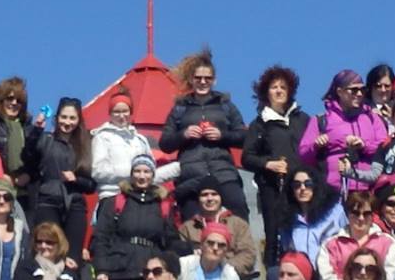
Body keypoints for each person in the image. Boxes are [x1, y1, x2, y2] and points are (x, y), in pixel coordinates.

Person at [89, 155, 180, 280]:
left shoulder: (163, 205)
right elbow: (101, 237)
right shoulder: (115, 202)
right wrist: (101, 269)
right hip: (117, 270)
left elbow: (170, 241)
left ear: (153, 175)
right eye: (137, 171)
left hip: (149, 272)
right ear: (131, 174)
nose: (142, 176)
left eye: (146, 171)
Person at [161, 52, 246, 218]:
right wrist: (184, 134)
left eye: (207, 78)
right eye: (198, 77)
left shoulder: (225, 105)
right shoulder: (180, 108)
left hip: (223, 171)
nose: (202, 82)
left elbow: (243, 136)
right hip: (191, 174)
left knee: (238, 210)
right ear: (191, 79)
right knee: (192, 222)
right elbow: (165, 143)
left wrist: (222, 135)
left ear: (214, 80)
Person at [244, 65, 309, 245]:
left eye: (283, 87)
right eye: (274, 87)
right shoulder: (259, 124)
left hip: (301, 186)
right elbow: (247, 157)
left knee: (303, 232)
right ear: (266, 93)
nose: (279, 91)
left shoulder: (303, 119)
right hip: (272, 188)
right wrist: (268, 164)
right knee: (274, 237)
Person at [300, 69, 388, 195]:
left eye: (362, 90)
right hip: (333, 191)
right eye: (353, 90)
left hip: (368, 190)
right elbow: (303, 155)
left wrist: (364, 145)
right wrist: (316, 145)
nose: (359, 94)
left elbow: (385, 147)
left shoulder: (372, 118)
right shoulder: (320, 120)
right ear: (339, 92)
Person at [28, 98, 92, 248]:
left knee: (72, 255)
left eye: (72, 118)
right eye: (64, 117)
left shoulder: (86, 145)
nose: (67, 122)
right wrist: (36, 130)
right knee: (48, 248)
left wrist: (76, 180)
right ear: (57, 118)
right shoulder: (46, 140)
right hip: (48, 200)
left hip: (74, 203)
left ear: (78, 120)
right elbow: (28, 156)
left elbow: (91, 185)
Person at [317, 192, 395, 280]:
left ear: (373, 215)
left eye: (366, 214)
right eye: (356, 213)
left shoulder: (388, 242)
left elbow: (390, 278)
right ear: (347, 214)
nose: (361, 218)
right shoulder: (330, 245)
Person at [178, 178, 258, 280]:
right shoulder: (187, 228)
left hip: (233, 278)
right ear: (198, 199)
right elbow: (181, 259)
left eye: (214, 194)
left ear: (221, 198)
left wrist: (223, 269)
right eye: (204, 195)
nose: (209, 198)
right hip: (197, 279)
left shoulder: (238, 224)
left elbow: (248, 255)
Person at [274, 169, 345, 271]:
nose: (302, 188)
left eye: (308, 184)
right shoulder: (288, 219)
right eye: (296, 185)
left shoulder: (335, 211)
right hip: (302, 275)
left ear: (316, 186)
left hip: (332, 270)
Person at [89, 93, 156, 199]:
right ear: (110, 113)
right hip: (111, 195)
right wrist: (133, 173)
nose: (121, 116)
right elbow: (97, 171)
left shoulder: (140, 140)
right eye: (117, 112)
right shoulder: (102, 137)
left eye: (125, 111)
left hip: (138, 196)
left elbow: (152, 169)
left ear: (131, 112)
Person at [0, 77, 43, 190]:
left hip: (25, 190)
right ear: (0, 99)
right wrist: (1, 174)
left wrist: (28, 174)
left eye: (19, 100)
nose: (14, 103)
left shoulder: (27, 127)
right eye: (10, 98)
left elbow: (37, 159)